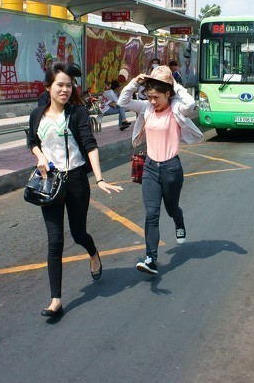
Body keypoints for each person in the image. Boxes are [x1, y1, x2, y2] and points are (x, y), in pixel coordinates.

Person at [27, 61, 123, 318]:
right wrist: (38, 155)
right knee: (55, 241)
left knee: (78, 233)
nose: (65, 89)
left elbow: (90, 145)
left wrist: (100, 179)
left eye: (69, 85)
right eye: (60, 85)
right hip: (50, 182)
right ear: (48, 86)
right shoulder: (37, 114)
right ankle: (55, 299)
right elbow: (32, 141)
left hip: (77, 180)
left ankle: (92, 252)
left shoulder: (78, 113)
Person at [118, 66, 203, 275]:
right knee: (151, 214)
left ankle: (179, 220)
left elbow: (190, 103)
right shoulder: (146, 108)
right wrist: (135, 83)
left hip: (172, 169)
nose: (152, 101)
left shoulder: (176, 109)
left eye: (157, 97)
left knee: (172, 208)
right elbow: (123, 101)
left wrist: (176, 85)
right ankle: (151, 259)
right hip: (150, 168)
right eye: (149, 96)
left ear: (168, 94)